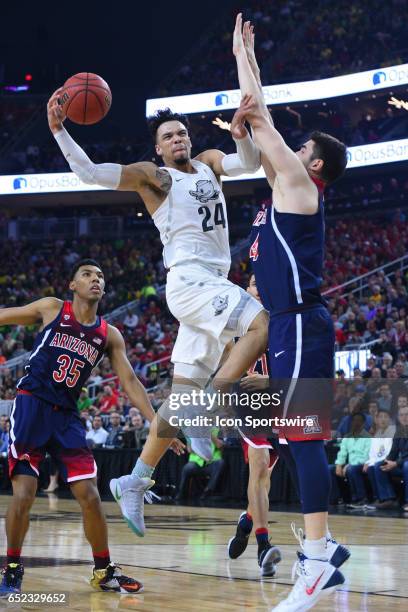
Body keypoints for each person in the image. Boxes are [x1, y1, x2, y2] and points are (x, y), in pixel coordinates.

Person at [47, 79, 269, 537]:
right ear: (158, 148)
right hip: (189, 281)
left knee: (179, 399)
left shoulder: (208, 163)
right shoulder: (154, 176)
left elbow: (248, 163)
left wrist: (241, 130)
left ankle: (134, 479)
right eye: (169, 136)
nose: (178, 140)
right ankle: (209, 405)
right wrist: (60, 131)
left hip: (212, 283)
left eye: (182, 133)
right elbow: (89, 173)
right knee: (261, 322)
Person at [232, 15, 349, 609]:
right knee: (293, 435)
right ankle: (325, 553)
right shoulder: (286, 188)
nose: (291, 152)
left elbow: (260, 117)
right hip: (286, 325)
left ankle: (320, 555)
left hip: (301, 321)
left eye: (301, 151)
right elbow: (262, 118)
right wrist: (250, 67)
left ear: (316, 166)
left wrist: (242, 57)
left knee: (303, 440)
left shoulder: (301, 189)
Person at [0, 259, 179, 596]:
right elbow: (5, 316)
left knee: (91, 496)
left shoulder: (108, 334)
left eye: (100, 275)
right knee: (24, 493)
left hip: (67, 416)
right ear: (73, 284)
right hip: (31, 405)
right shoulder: (52, 308)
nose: (95, 279)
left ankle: (103, 570)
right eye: (87, 274)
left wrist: (157, 421)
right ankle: (12, 567)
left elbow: (129, 381)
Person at [228, 274, 299, 577]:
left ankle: (247, 521)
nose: (259, 288)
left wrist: (269, 382)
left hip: (279, 404)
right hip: (248, 404)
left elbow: (297, 370)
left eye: (263, 283)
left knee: (265, 479)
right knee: (258, 468)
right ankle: (263, 545)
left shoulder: (283, 321)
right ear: (246, 290)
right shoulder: (233, 323)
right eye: (255, 283)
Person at [330, 413, 371, 507]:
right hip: (350, 465)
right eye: (354, 420)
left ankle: (360, 498)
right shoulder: (347, 436)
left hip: (362, 464)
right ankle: (337, 498)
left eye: (359, 421)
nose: (356, 423)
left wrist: (348, 465)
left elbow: (366, 457)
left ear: (363, 423)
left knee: (352, 469)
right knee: (330, 469)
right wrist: (339, 465)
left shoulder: (368, 438)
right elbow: (342, 453)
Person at [373, 404, 408, 510]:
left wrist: (396, 463)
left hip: (405, 464)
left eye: (407, 414)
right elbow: (393, 452)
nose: (404, 417)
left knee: (407, 466)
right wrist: (387, 461)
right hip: (402, 464)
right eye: (401, 415)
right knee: (379, 465)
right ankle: (389, 498)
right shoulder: (400, 431)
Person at [176, 430, 224, 501]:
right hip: (196, 462)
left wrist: (209, 434)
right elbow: (189, 450)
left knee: (220, 463)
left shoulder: (217, 430)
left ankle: (208, 491)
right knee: (187, 468)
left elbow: (220, 445)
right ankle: (181, 494)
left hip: (211, 462)